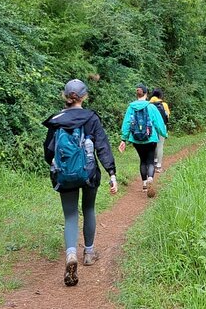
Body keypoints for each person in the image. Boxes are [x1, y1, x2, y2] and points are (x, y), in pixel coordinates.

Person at [42, 79, 118, 287]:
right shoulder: (91, 118)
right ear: (84, 97)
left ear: (65, 96)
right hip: (88, 173)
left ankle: (70, 254)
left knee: (70, 215)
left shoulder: (56, 120)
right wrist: (111, 172)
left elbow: (49, 151)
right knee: (89, 208)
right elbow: (102, 146)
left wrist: (59, 165)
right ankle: (89, 253)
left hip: (64, 174)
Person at [118, 83, 168, 198]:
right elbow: (158, 122)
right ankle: (150, 178)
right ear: (146, 94)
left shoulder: (131, 107)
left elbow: (126, 124)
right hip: (151, 138)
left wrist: (123, 139)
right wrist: (164, 134)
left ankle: (145, 184)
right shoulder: (151, 107)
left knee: (142, 161)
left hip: (136, 139)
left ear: (137, 94)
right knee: (150, 161)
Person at [149, 88, 170, 173]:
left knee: (151, 145)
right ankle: (158, 166)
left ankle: (152, 163)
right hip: (161, 127)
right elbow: (167, 116)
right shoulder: (164, 104)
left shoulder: (148, 104)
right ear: (160, 95)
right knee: (160, 145)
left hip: (151, 127)